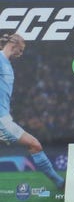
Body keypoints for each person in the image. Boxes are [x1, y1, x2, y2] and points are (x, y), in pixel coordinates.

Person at [0, 33, 64, 189]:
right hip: (2, 120)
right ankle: (60, 183)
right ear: (13, 45)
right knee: (35, 145)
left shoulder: (7, 63)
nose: (21, 54)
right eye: (21, 50)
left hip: (5, 117)